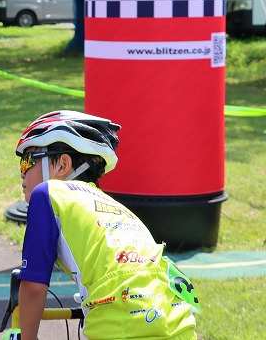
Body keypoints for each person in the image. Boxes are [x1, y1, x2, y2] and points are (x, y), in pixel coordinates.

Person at [15, 110, 199, 340]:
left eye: (27, 161)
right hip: (179, 324)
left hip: (121, 326)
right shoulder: (119, 209)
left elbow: (33, 286)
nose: (22, 174)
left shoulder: (48, 193)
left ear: (62, 164)